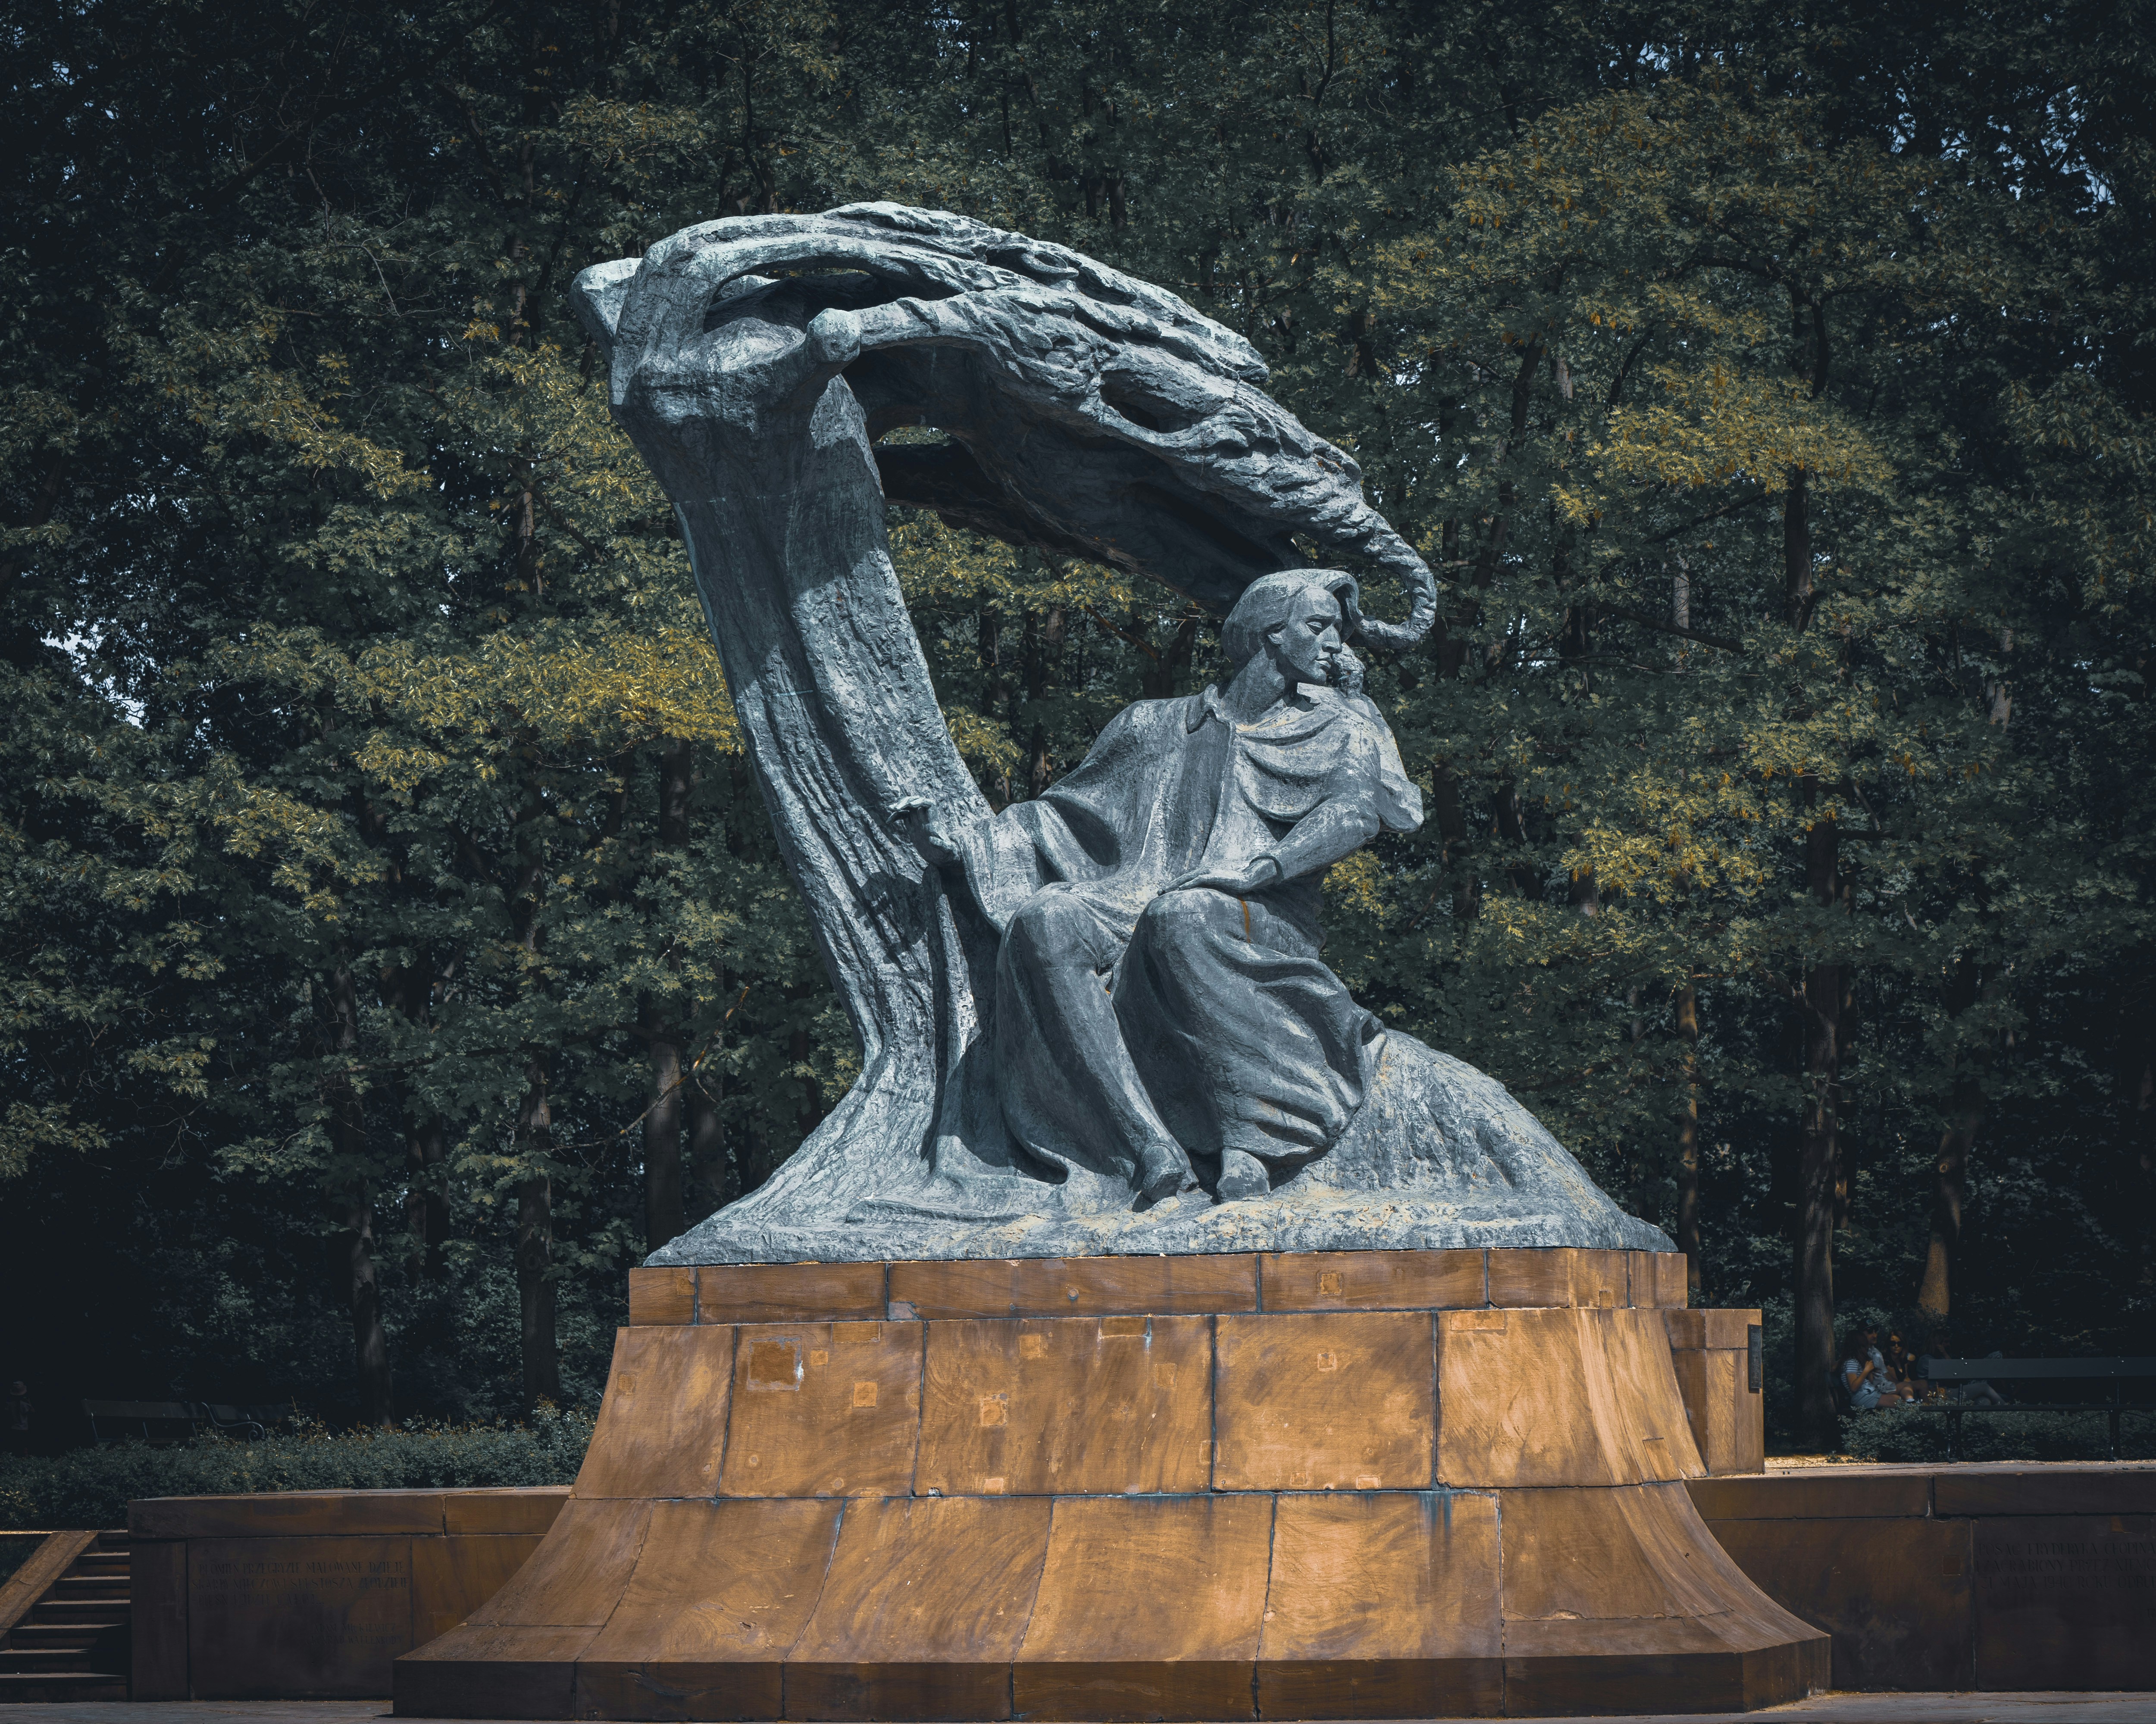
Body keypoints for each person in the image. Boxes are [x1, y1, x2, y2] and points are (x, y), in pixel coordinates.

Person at [894, 572, 1422, 1210]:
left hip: (1261, 908)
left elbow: (1358, 812)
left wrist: (1263, 868)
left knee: (1185, 915)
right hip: (1131, 896)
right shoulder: (1152, 725)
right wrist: (960, 852)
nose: (1336, 641)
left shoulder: (1338, 723)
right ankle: (1147, 1149)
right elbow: (1061, 814)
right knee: (1046, 920)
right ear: (1268, 633)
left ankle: (1248, 1144)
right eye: (1319, 625)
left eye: (1339, 629)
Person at [1841, 1324, 1918, 1410]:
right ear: (1858, 1347)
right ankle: (1917, 1410)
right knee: (1900, 1402)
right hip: (1864, 1398)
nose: (1867, 1349)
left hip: (1871, 1394)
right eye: (1864, 1346)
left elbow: (1870, 1381)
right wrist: (1866, 1371)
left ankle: (1914, 1406)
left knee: (1900, 1399)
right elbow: (1854, 1388)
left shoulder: (1858, 1362)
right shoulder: (1851, 1362)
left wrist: (1870, 1371)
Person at [4, 1381, 30, 1455]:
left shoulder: (10, 1405)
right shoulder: (25, 1405)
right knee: (24, 1447)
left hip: (14, 1428)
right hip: (24, 1429)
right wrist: (29, 1402)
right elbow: (32, 1411)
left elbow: (7, 1416)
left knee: (15, 1447)